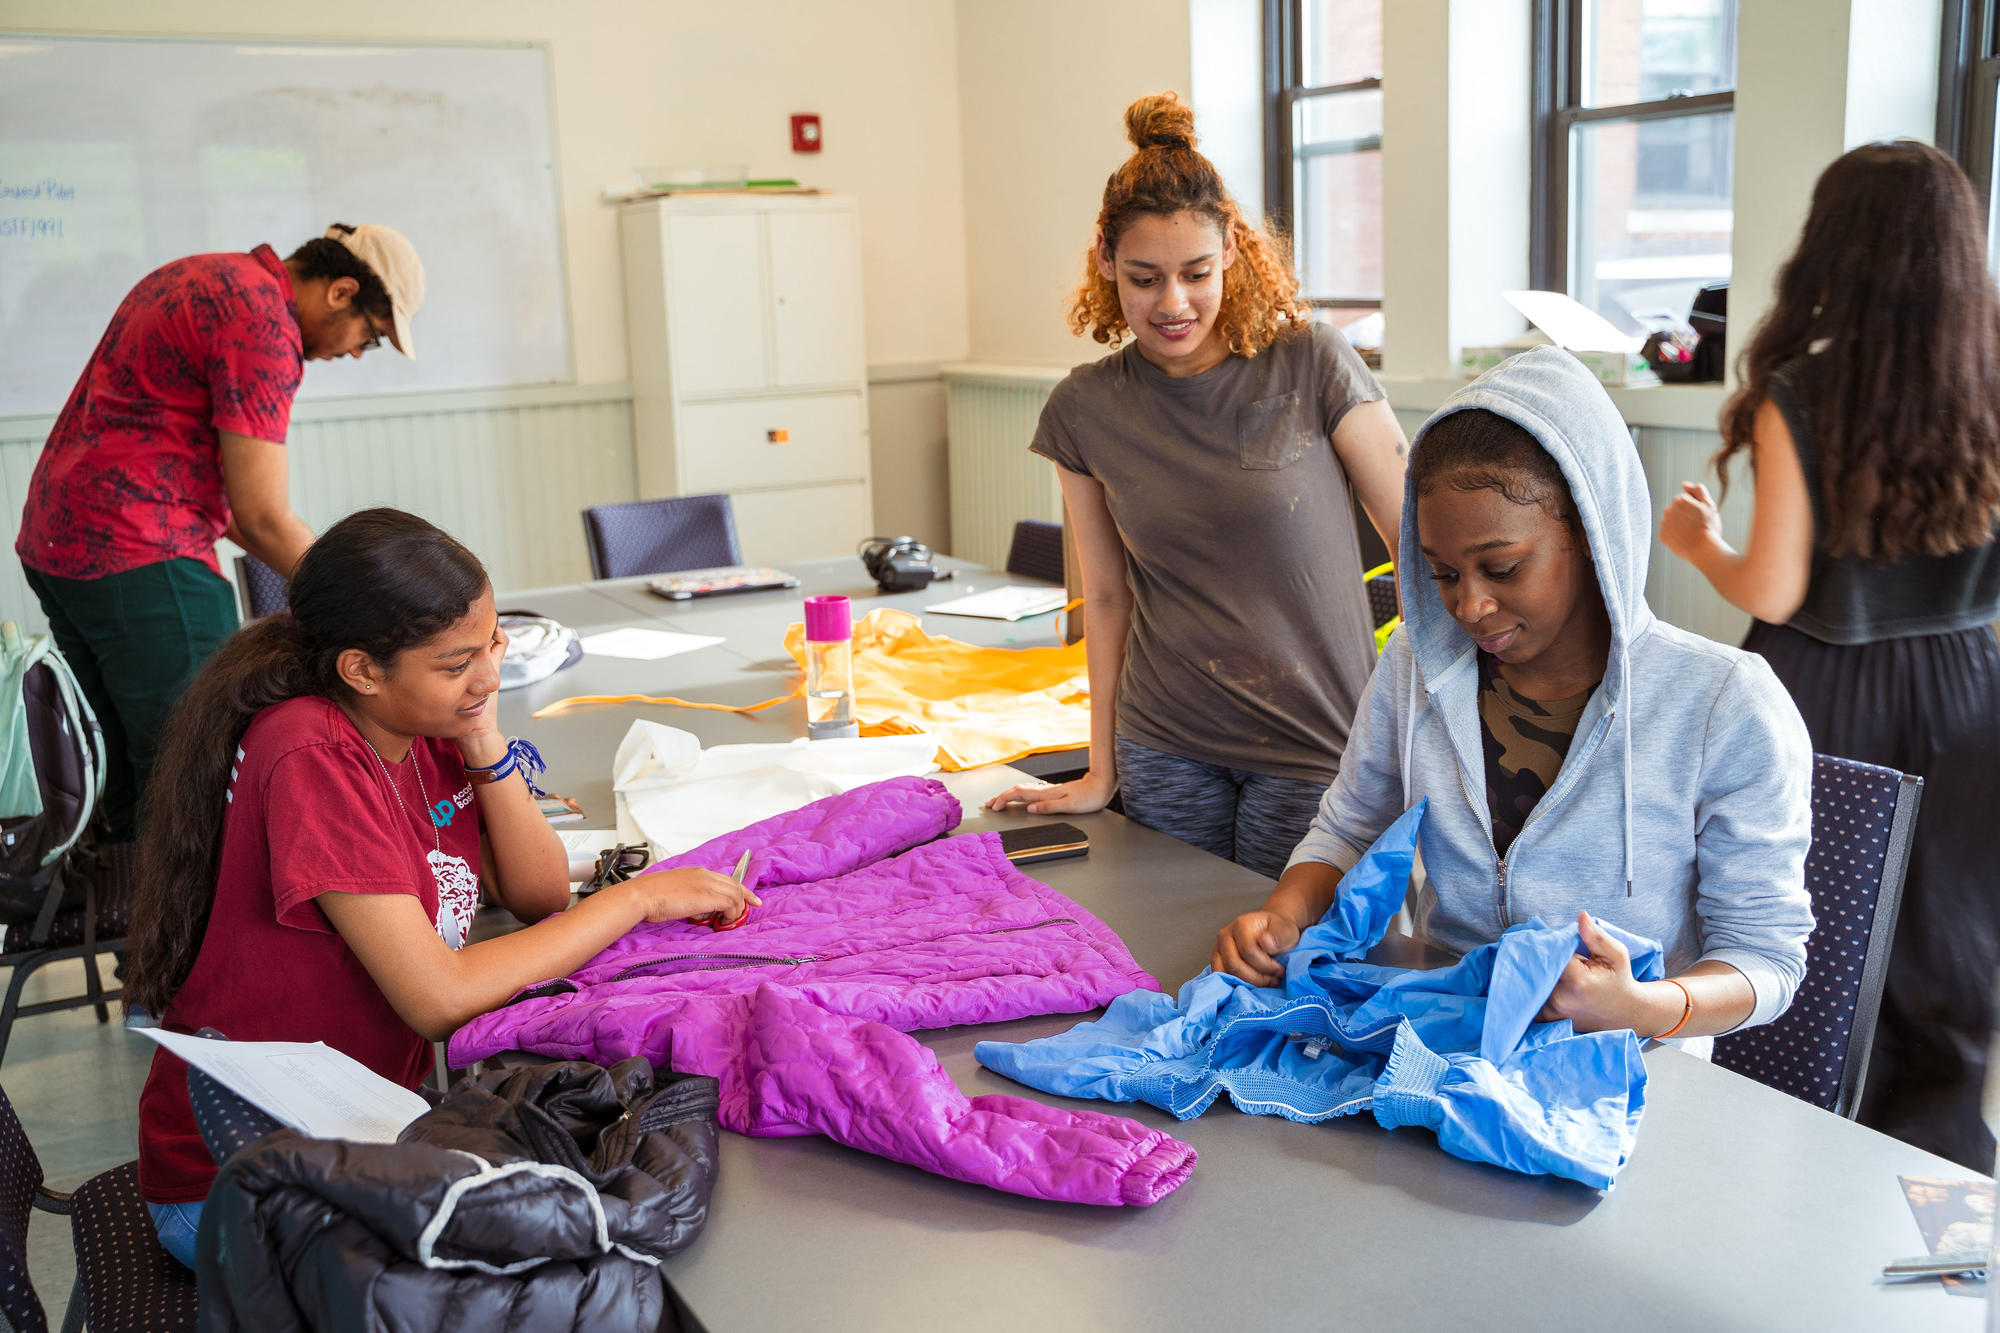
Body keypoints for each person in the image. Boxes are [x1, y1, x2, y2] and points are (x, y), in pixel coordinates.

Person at [122, 508, 756, 1268]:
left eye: (491, 643)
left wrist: (484, 742)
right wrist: (638, 897)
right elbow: (440, 996)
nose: (487, 674)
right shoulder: (312, 752)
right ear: (361, 669)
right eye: (456, 664)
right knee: (574, 1260)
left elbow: (539, 891)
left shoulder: (414, 721)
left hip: (360, 1132)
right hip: (240, 1182)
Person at [1214, 346, 1816, 1047]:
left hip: (1631, 1066)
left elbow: (1765, 958)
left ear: (1590, 535)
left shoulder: (1723, 704)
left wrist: (1639, 1005)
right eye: (1441, 573)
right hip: (1449, 1036)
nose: (1470, 605)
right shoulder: (1416, 663)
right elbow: (1348, 827)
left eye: (1503, 568)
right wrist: (1285, 914)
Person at [1660, 141, 2000, 1170]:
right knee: (1949, 943)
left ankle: (1793, 1178)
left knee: (1805, 939)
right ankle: (1941, 1195)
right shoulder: (1988, 384)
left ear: (1832, 252)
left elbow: (1770, 587)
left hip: (1822, 694)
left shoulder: (1797, 397)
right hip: (1966, 687)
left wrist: (1692, 545)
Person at [984, 92, 1409, 878]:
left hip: (1317, 745)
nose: (1172, 304)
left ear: (1233, 257)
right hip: (1166, 744)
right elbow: (1107, 598)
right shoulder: (1083, 407)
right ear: (1105, 260)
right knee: (1176, 957)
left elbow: (1414, 546)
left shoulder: (1312, 361)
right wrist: (1102, 769)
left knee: (1293, 973)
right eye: (1145, 278)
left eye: (1196, 273)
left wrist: (1417, 739)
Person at [14, 224, 424, 842]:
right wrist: (365, 603)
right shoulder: (263, 325)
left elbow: (236, 507)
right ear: (342, 291)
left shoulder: (208, 275)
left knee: (125, 768)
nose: (355, 354)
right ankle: (192, 938)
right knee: (195, 769)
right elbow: (260, 515)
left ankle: (138, 924)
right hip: (140, 549)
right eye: (369, 337)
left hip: (61, 540)